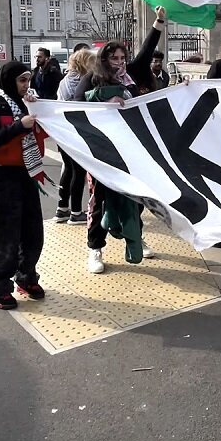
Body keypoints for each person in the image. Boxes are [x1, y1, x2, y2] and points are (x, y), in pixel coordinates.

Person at [75, 40, 161, 272]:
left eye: (123, 58)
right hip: (100, 151)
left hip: (129, 151)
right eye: (115, 58)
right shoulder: (92, 78)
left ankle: (136, 236)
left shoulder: (130, 81)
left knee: (135, 198)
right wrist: (104, 102)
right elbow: (74, 106)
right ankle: (95, 248)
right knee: (98, 201)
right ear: (104, 59)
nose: (120, 63)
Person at [0, 61, 48, 310]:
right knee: (6, 237)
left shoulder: (28, 104)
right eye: (22, 80)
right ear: (8, 81)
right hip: (0, 178)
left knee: (33, 233)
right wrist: (19, 126)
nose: (27, 85)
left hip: (26, 175)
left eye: (29, 79)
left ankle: (26, 277)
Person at [56, 48, 98, 224]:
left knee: (68, 169)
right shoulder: (80, 82)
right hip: (74, 132)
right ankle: (76, 212)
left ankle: (62, 208)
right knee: (78, 171)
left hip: (60, 130)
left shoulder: (66, 79)